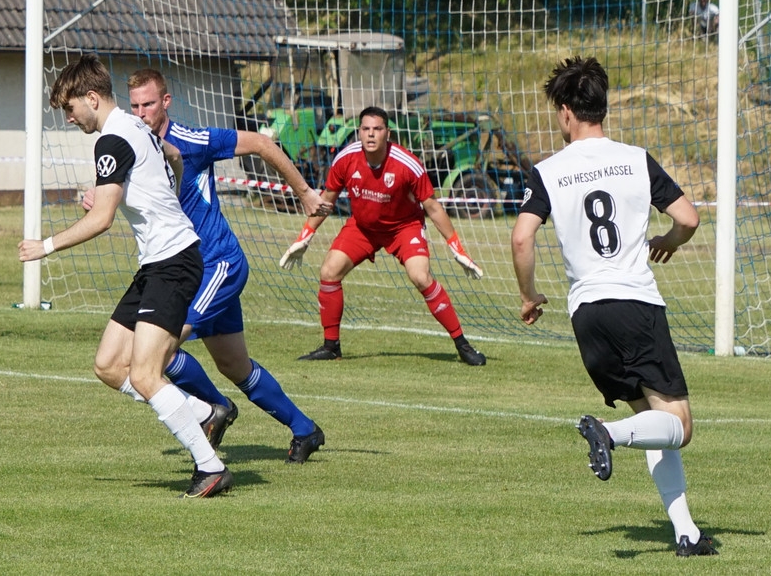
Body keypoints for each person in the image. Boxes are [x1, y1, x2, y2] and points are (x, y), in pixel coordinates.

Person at [510, 56, 716, 557]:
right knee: (680, 426)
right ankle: (608, 433)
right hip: (635, 304)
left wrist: (529, 296)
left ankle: (686, 533)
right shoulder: (636, 159)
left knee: (655, 423)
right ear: (601, 106)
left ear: (565, 112)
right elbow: (688, 219)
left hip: (587, 314)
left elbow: (521, 238)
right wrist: (668, 240)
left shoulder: (548, 171)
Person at [89, 67, 329, 464]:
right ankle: (305, 429)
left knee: (158, 353)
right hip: (186, 269)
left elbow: (260, 143)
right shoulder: (135, 142)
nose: (142, 112)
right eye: (135, 105)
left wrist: (304, 193)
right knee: (234, 365)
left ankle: (216, 410)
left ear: (166, 102)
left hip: (216, 264)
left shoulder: (192, 140)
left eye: (149, 104)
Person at [19, 54, 232, 498]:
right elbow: (173, 155)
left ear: (91, 98)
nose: (70, 118)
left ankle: (210, 467)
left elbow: (101, 220)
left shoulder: (112, 140)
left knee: (145, 374)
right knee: (109, 365)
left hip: (173, 262)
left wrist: (45, 246)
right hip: (158, 263)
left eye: (71, 108)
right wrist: (167, 195)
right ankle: (203, 413)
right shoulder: (138, 126)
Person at [280, 105, 487, 366]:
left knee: (420, 277)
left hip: (403, 227)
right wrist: (305, 236)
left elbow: (433, 207)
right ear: (359, 132)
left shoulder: (407, 164)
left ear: (387, 133)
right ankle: (331, 346)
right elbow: (327, 199)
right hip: (363, 227)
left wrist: (457, 248)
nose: (370, 134)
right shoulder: (345, 159)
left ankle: (462, 345)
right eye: (366, 129)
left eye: (377, 129)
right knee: (329, 271)